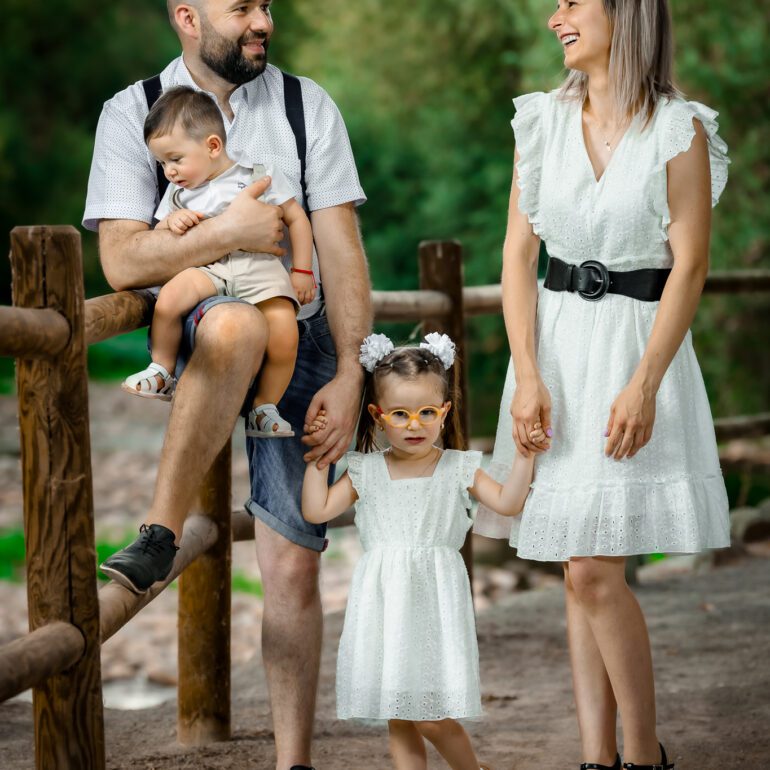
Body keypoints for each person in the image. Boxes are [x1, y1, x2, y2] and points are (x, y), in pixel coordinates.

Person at [83, 2, 371, 768]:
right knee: (234, 324)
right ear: (186, 15)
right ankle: (159, 534)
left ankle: (293, 761)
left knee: (292, 562)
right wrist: (229, 236)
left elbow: (340, 246)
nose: (263, 20)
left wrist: (350, 369)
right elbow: (122, 262)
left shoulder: (308, 107)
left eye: (266, 5)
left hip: (298, 330)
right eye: (242, 6)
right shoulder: (132, 113)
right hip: (205, 319)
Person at [475, 1, 730, 769]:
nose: (556, 18)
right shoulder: (539, 123)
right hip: (552, 356)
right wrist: (526, 375)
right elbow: (517, 258)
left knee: (591, 568)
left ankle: (642, 754)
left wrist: (645, 381)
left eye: (571, 2)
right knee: (574, 562)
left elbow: (689, 265)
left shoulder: (677, 128)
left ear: (626, 12)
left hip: (632, 352)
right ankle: (597, 758)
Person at [302, 333, 542, 770]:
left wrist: (525, 456)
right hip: (384, 605)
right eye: (401, 414)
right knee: (400, 715)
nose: (415, 424)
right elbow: (316, 508)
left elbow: (509, 503)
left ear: (444, 412)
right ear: (378, 416)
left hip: (434, 603)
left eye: (427, 412)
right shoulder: (366, 472)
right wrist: (319, 457)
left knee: (430, 715)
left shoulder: (457, 468)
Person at [120, 85, 315, 439]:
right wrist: (170, 223)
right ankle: (162, 369)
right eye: (162, 162)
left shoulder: (258, 175)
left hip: (259, 268)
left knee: (285, 333)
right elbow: (161, 228)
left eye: (175, 159)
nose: (169, 171)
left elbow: (297, 219)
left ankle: (264, 407)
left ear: (212, 146)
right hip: (210, 268)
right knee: (171, 298)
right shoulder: (180, 194)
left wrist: (302, 270)